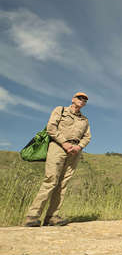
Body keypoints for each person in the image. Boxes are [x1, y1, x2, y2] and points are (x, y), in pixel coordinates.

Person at [25, 92, 91, 227]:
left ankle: (52, 216)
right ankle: (33, 215)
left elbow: (87, 137)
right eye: (80, 98)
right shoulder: (60, 110)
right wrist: (64, 143)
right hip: (58, 147)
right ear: (73, 99)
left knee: (63, 184)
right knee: (51, 180)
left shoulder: (84, 120)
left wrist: (79, 147)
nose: (82, 101)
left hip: (74, 152)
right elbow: (51, 128)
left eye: (85, 100)